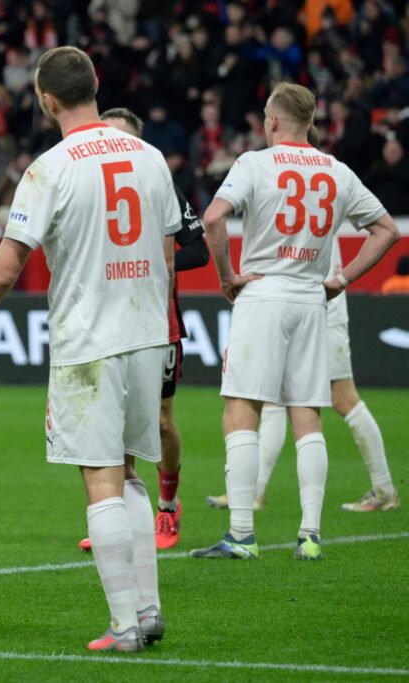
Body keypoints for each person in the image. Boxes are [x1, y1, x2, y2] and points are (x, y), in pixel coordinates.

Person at [0, 47, 179, 653]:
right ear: (95, 85)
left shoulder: (50, 168)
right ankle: (148, 610)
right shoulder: (151, 157)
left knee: (101, 479)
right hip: (146, 334)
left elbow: (3, 271)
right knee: (133, 473)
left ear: (45, 99)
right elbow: (166, 255)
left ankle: (123, 628)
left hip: (89, 341)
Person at [191, 83, 399, 562]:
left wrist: (227, 276)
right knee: (308, 413)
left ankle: (241, 534)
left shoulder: (254, 164)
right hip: (312, 299)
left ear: (271, 121)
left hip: (262, 295)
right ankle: (309, 535)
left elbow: (214, 218)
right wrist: (342, 278)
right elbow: (386, 229)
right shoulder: (336, 171)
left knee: (242, 407)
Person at [78, 108, 209, 553]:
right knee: (112, 421)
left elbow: (198, 250)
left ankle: (168, 506)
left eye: (120, 136)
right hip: (106, 321)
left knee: (159, 420)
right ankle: (117, 520)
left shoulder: (159, 183)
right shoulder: (91, 186)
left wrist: (150, 257)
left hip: (157, 321)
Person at [206, 248, 400, 513]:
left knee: (343, 397)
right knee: (272, 398)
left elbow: (383, 229)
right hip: (296, 305)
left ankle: (384, 489)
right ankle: (254, 492)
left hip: (322, 309)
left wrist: (341, 281)